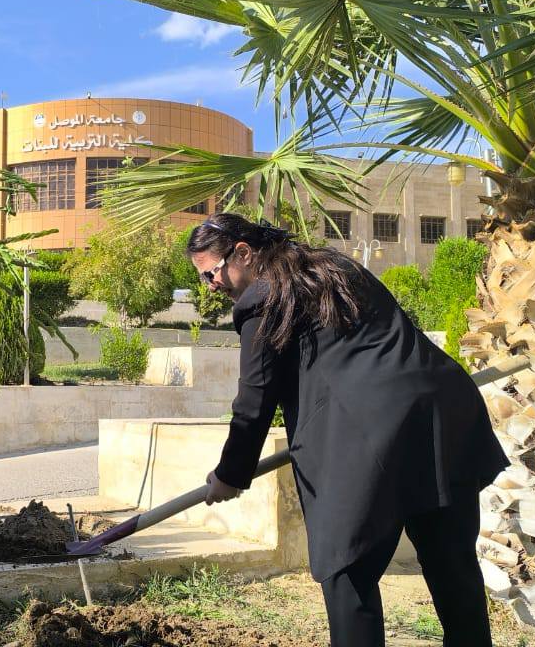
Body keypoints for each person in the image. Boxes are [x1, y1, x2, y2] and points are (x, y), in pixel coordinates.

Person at [188, 213, 506, 647]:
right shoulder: (335, 267)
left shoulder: (262, 300)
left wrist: (230, 475)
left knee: (347, 572)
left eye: (211, 273)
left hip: (372, 434)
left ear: (242, 253)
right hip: (443, 415)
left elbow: (254, 401)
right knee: (453, 565)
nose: (211, 285)